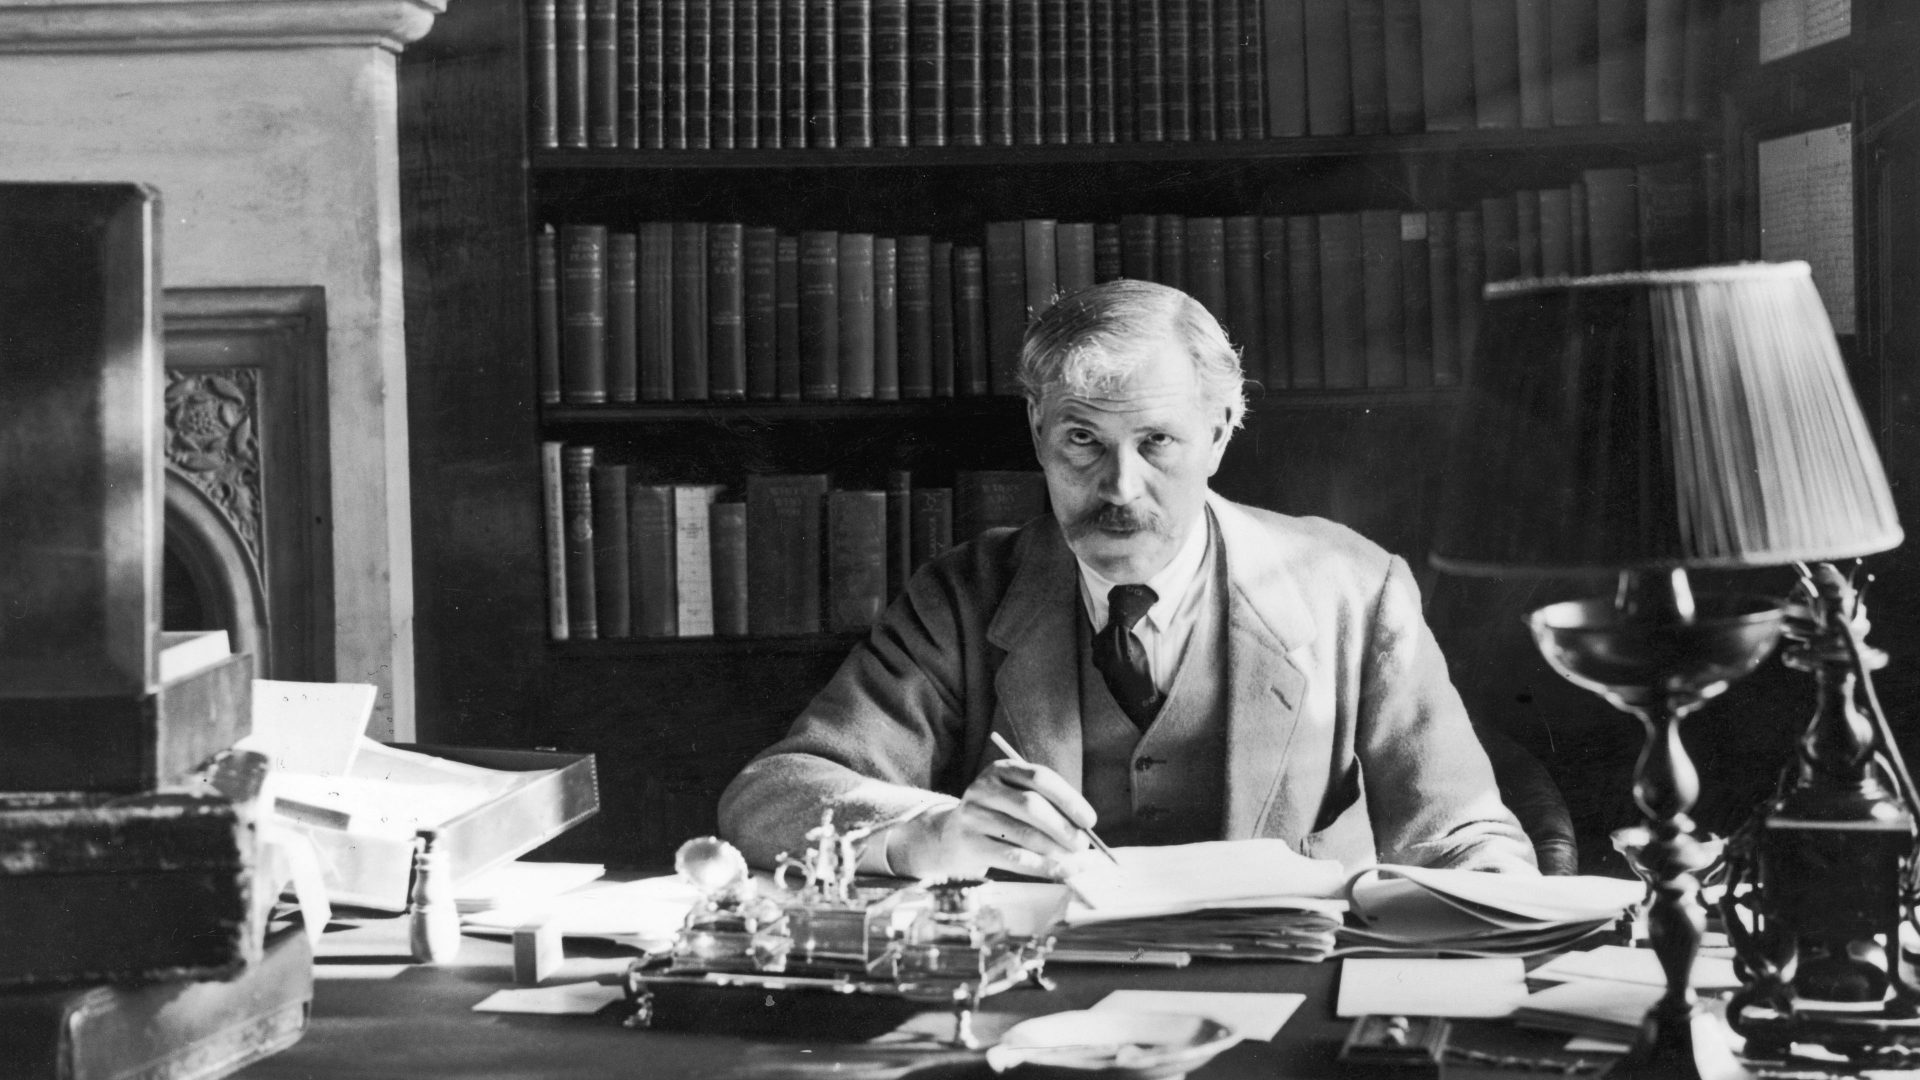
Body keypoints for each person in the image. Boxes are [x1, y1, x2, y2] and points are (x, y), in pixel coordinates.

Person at [718, 279, 1537, 881]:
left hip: (1283, 1007)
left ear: (1219, 434)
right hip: (1039, 1007)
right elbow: (771, 793)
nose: (1119, 487)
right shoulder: (962, 596)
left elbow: (1468, 837)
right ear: (1036, 431)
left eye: (1157, 443)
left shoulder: (1354, 590)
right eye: (1082, 439)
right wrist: (931, 829)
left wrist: (1496, 918)